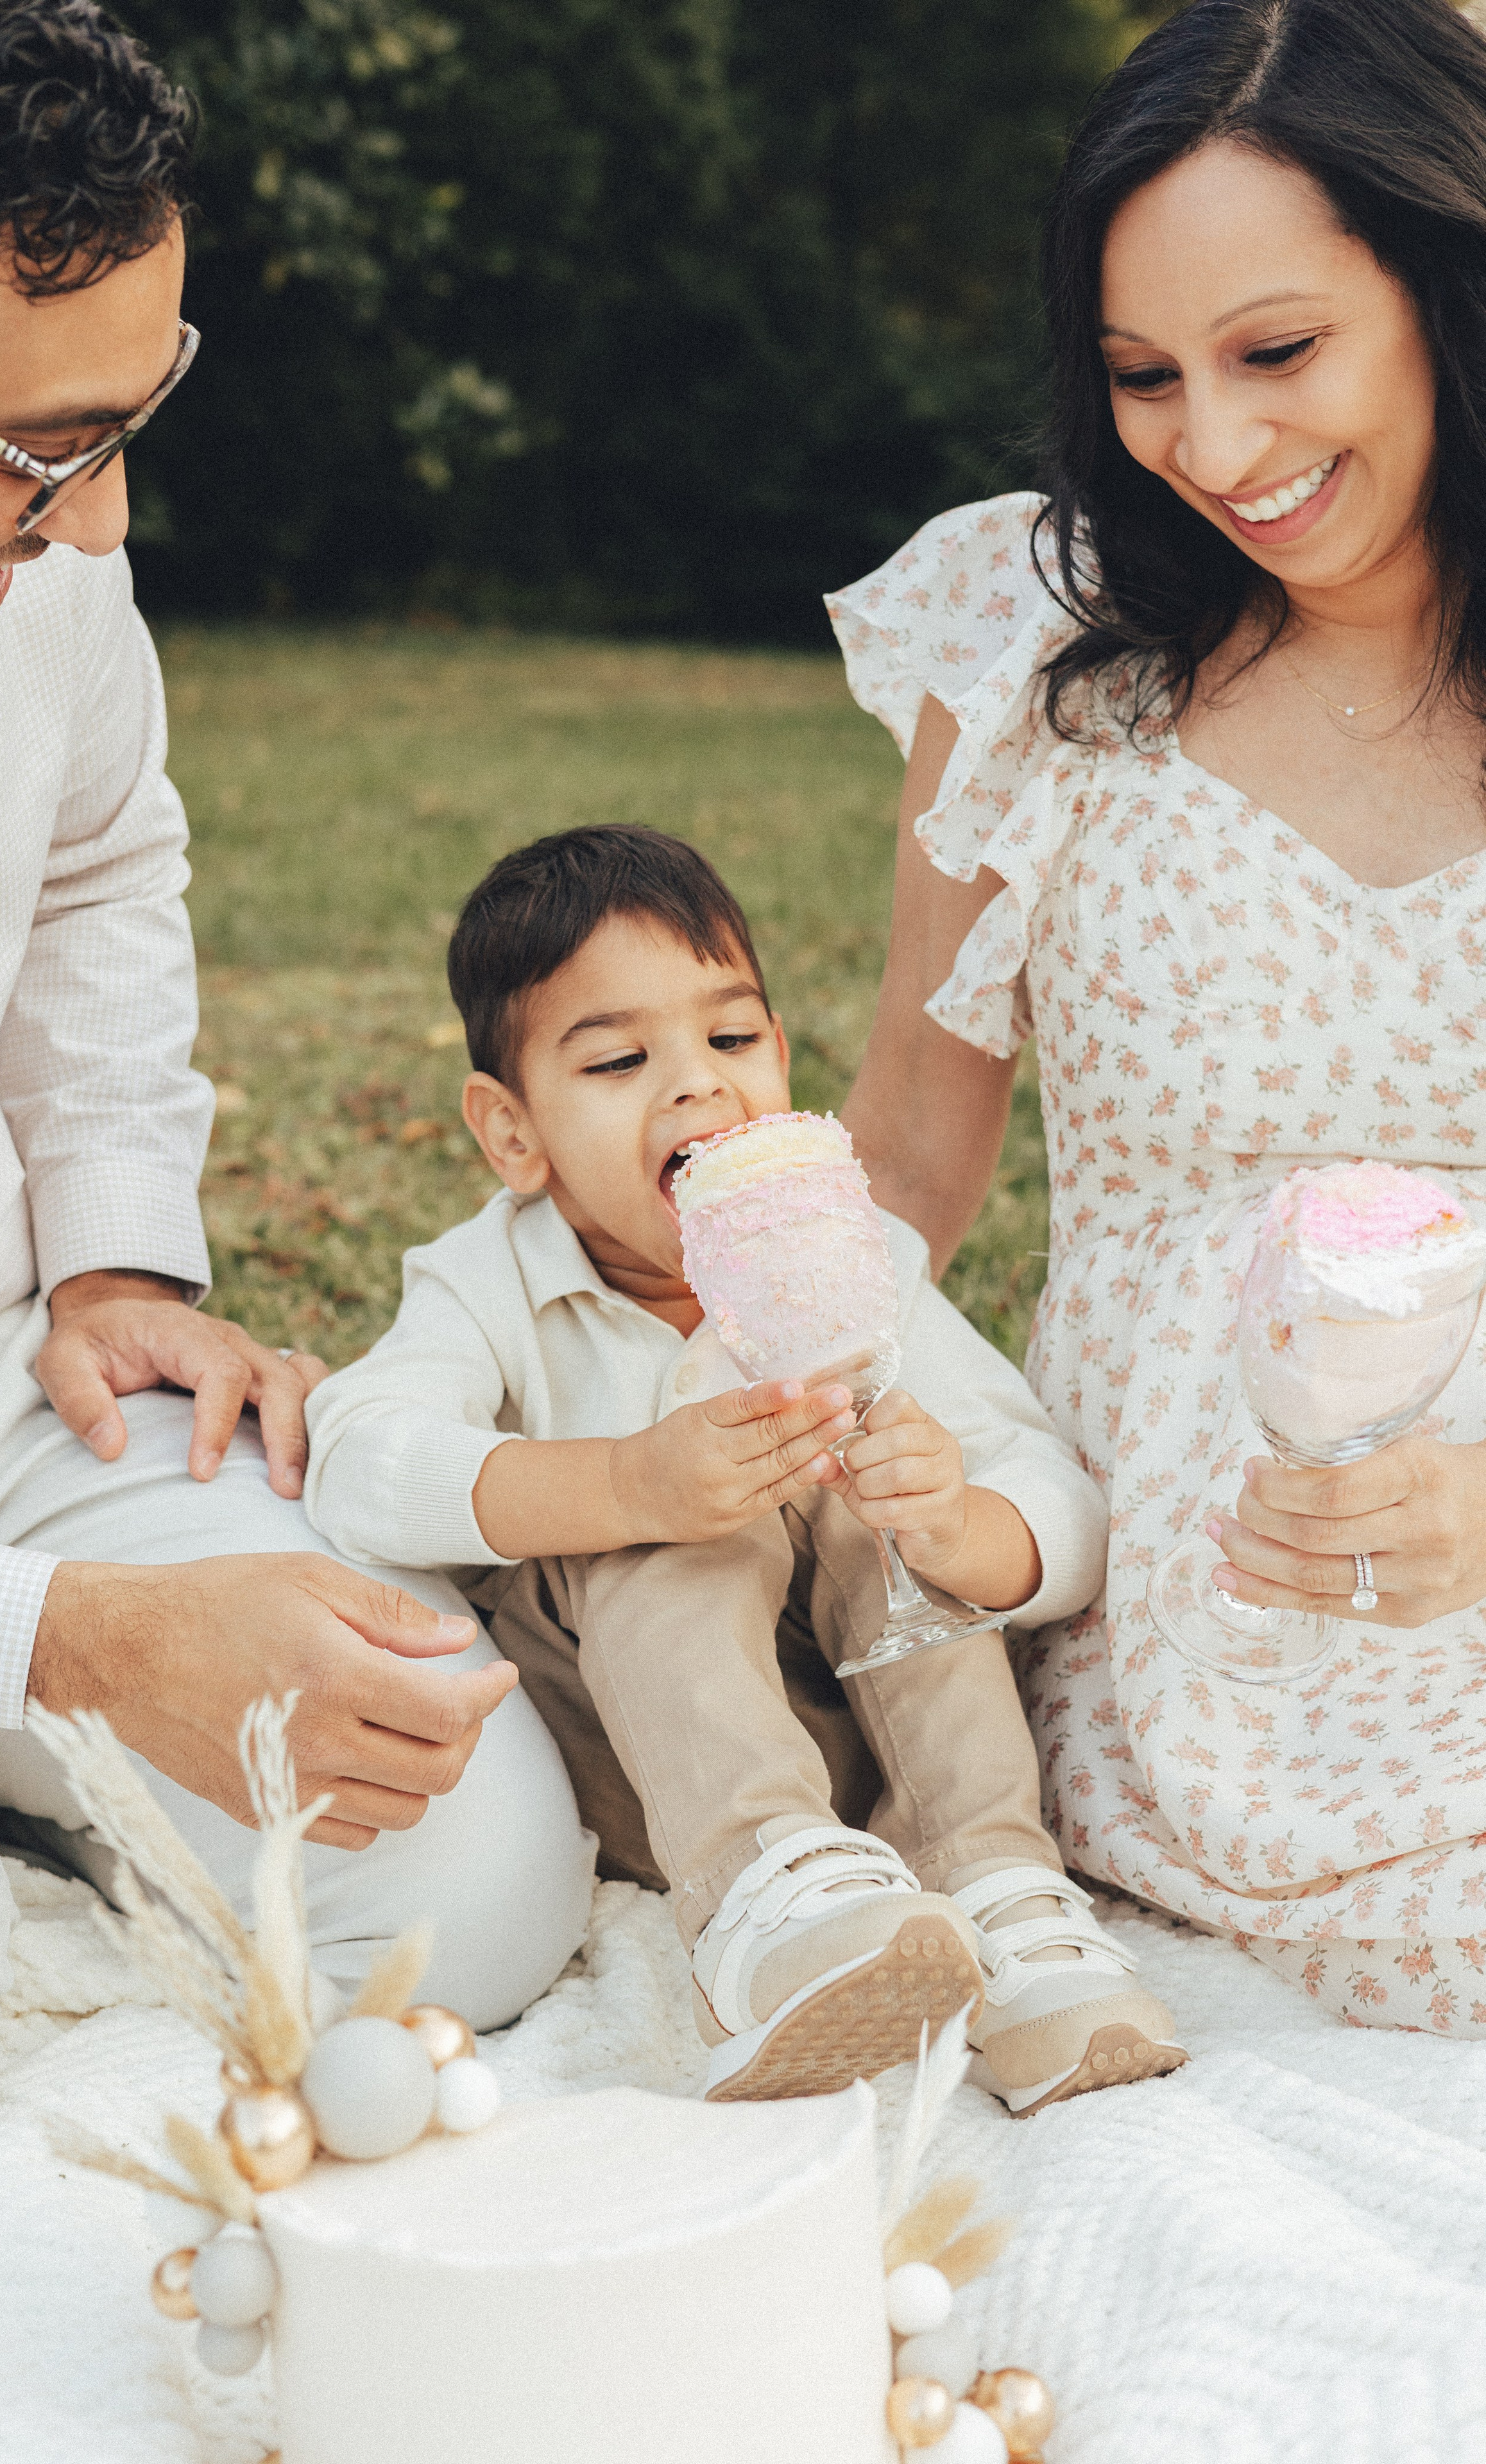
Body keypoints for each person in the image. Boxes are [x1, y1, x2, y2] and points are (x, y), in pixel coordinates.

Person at [0, 0, 592, 2208]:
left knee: (472, 1864)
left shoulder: (39, 550)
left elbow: (99, 861)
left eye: (134, 419)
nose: (102, 526)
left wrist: (116, 1251)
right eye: (48, 447)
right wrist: (78, 1648)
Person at [832, 0, 1486, 2035]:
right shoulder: (1035, 645)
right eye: (1142, 376)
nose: (1213, 448)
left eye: (1277, 351)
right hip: (1166, 1610)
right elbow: (909, 1158)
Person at [303, 824, 1184, 2108]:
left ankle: (1001, 1900)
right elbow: (361, 1461)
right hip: (647, 1762)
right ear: (510, 1133)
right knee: (666, 1518)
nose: (695, 1088)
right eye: (614, 1059)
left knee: (873, 1488)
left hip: (874, 1728)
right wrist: (619, 1485)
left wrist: (956, 1526)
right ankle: (768, 1907)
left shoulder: (860, 1265)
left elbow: (1057, 1497)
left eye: (731, 1040)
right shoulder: (483, 1283)